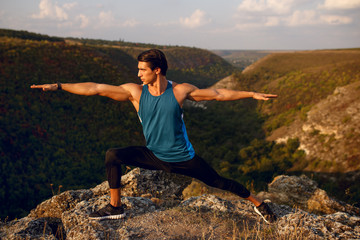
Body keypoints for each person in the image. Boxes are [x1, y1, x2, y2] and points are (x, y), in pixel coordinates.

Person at [31, 49, 278, 223]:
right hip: (154, 156)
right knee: (113, 155)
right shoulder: (135, 92)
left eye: (142, 70)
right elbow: (95, 89)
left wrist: (251, 94)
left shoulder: (180, 91)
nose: (138, 74)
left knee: (219, 182)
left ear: (157, 70)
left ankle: (258, 203)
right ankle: (116, 207)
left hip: (183, 158)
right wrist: (59, 86)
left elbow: (218, 94)